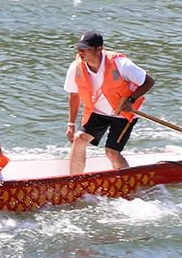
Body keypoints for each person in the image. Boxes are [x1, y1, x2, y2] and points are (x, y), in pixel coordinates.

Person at [66, 30, 154, 174]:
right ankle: (73, 182)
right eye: (79, 49)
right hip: (98, 112)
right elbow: (74, 95)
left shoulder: (121, 64)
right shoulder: (76, 67)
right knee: (79, 139)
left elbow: (148, 81)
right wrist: (70, 124)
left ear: (99, 49)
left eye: (85, 49)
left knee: (112, 152)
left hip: (122, 114)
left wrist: (131, 100)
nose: (81, 52)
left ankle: (128, 183)